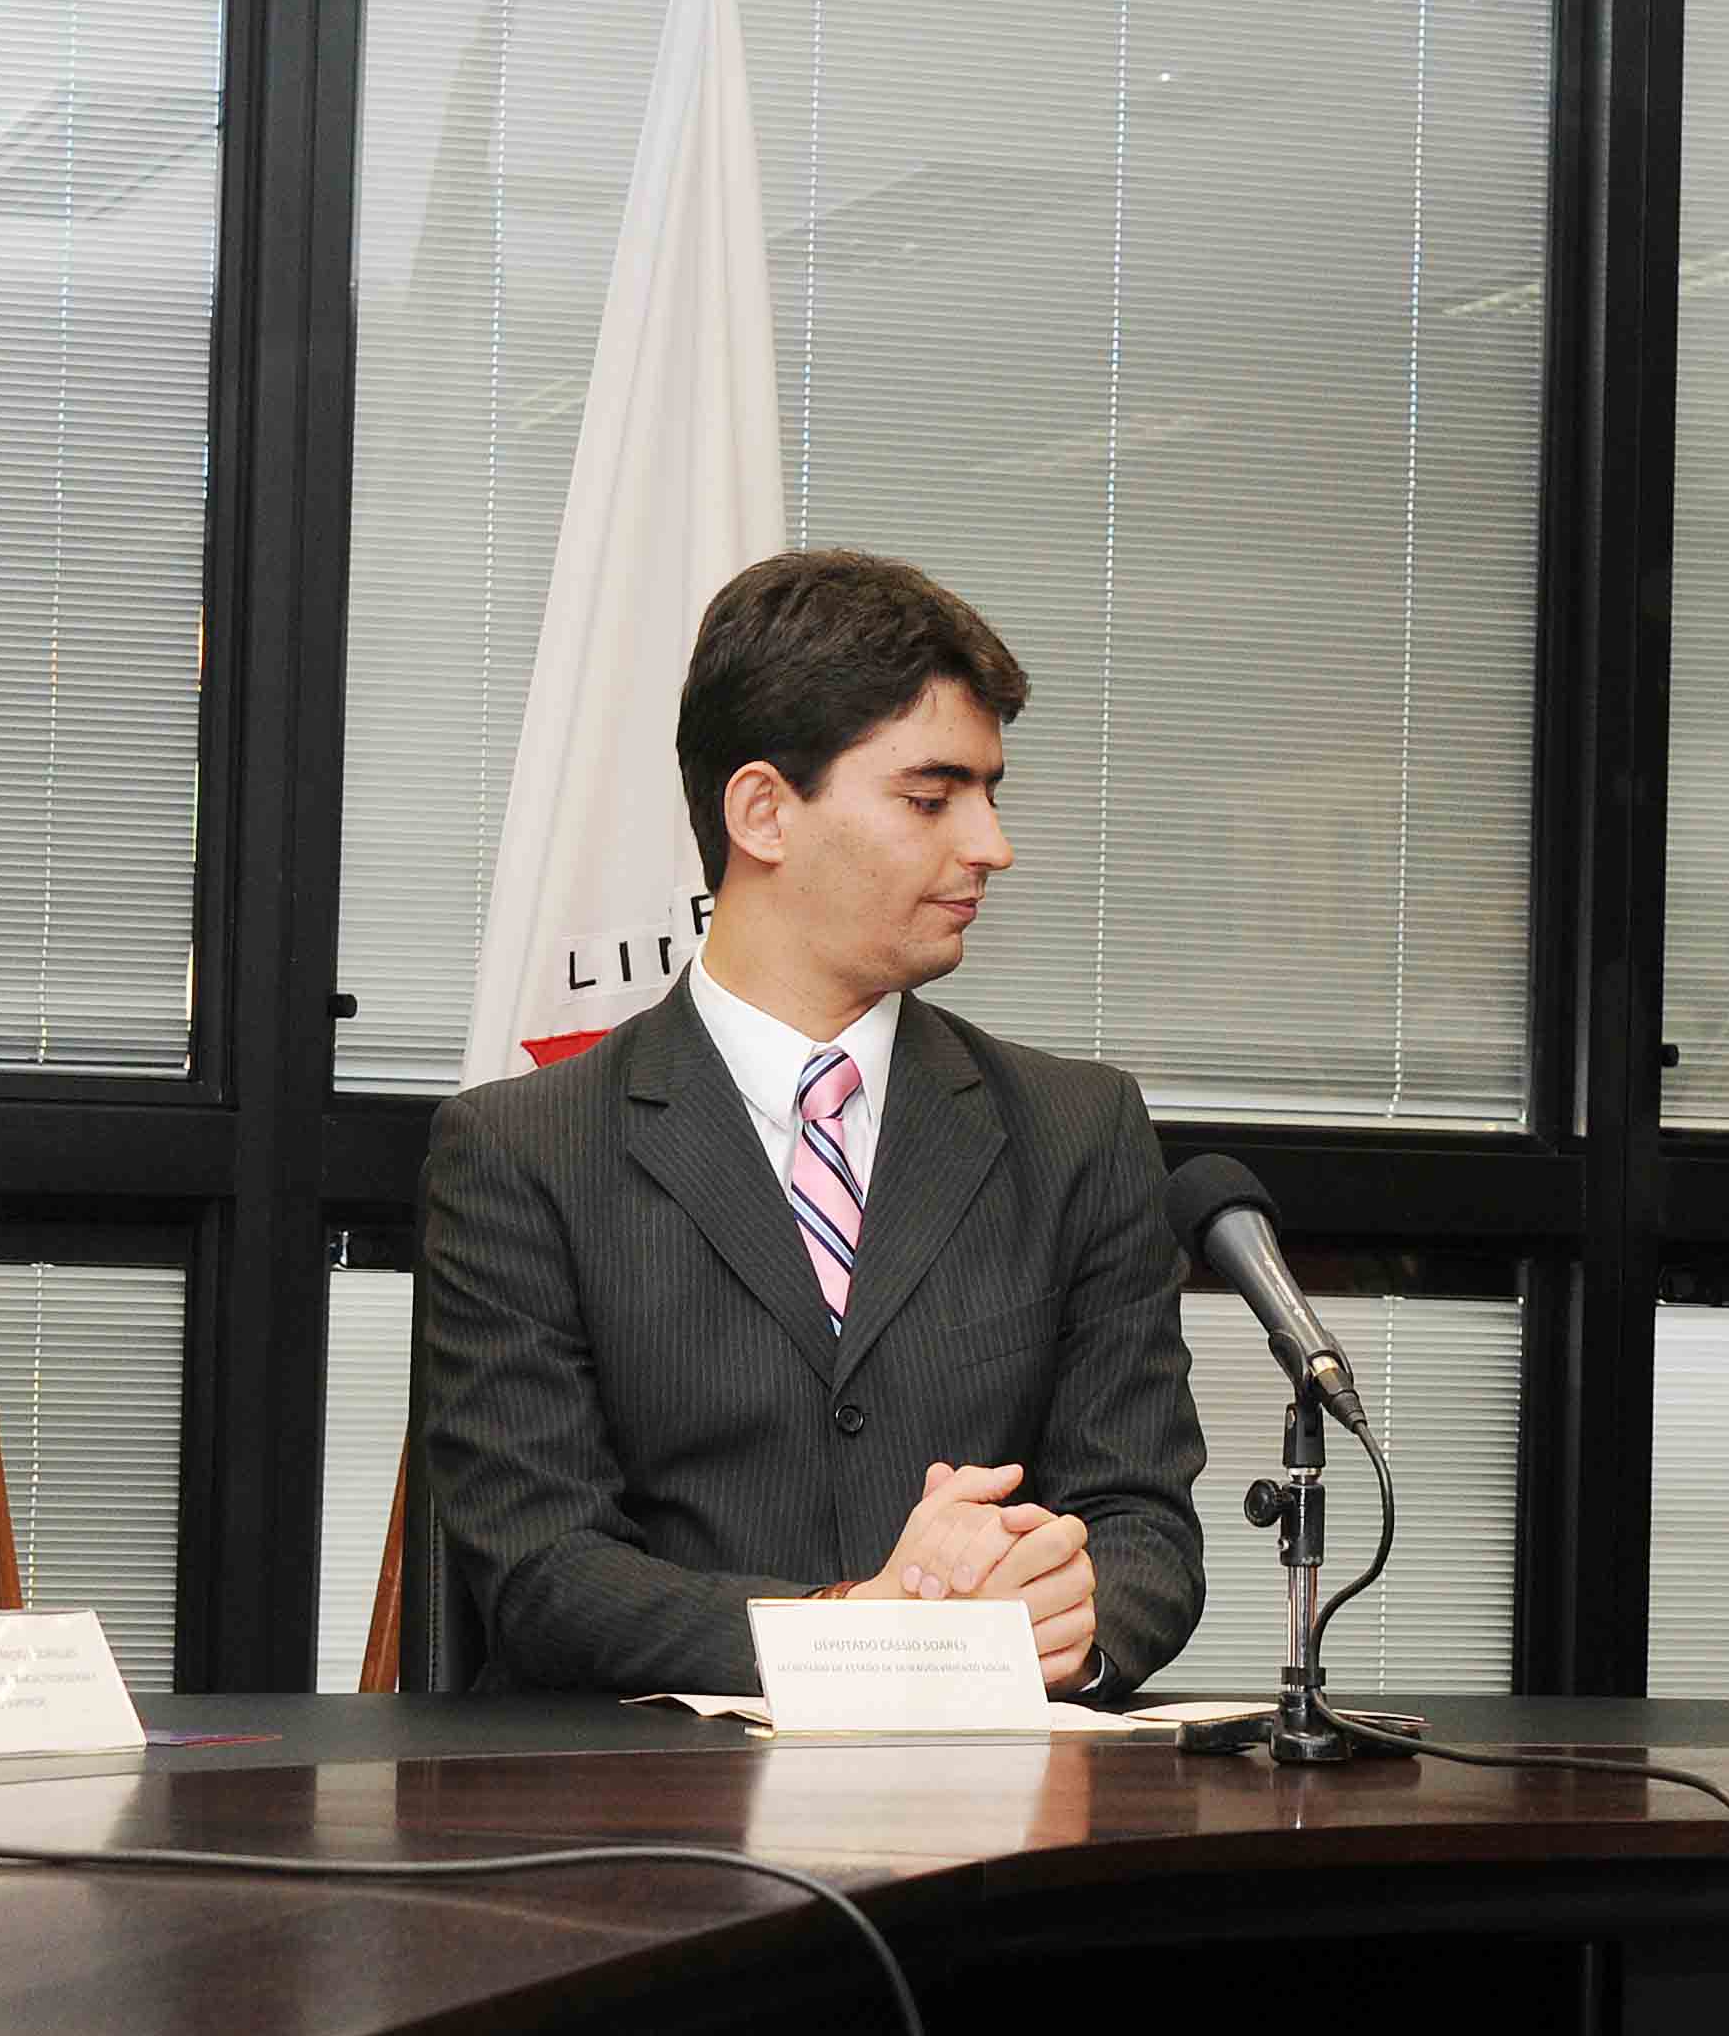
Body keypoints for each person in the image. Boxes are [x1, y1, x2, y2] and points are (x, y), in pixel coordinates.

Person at [422, 550, 1208, 1695]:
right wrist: (855, 1626)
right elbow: (545, 1570)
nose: (991, 845)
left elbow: (1140, 1521)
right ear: (763, 812)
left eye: (991, 794)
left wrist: (1071, 1618)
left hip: (996, 1821)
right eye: (932, 798)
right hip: (650, 1820)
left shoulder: (1078, 1130)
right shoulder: (521, 1154)